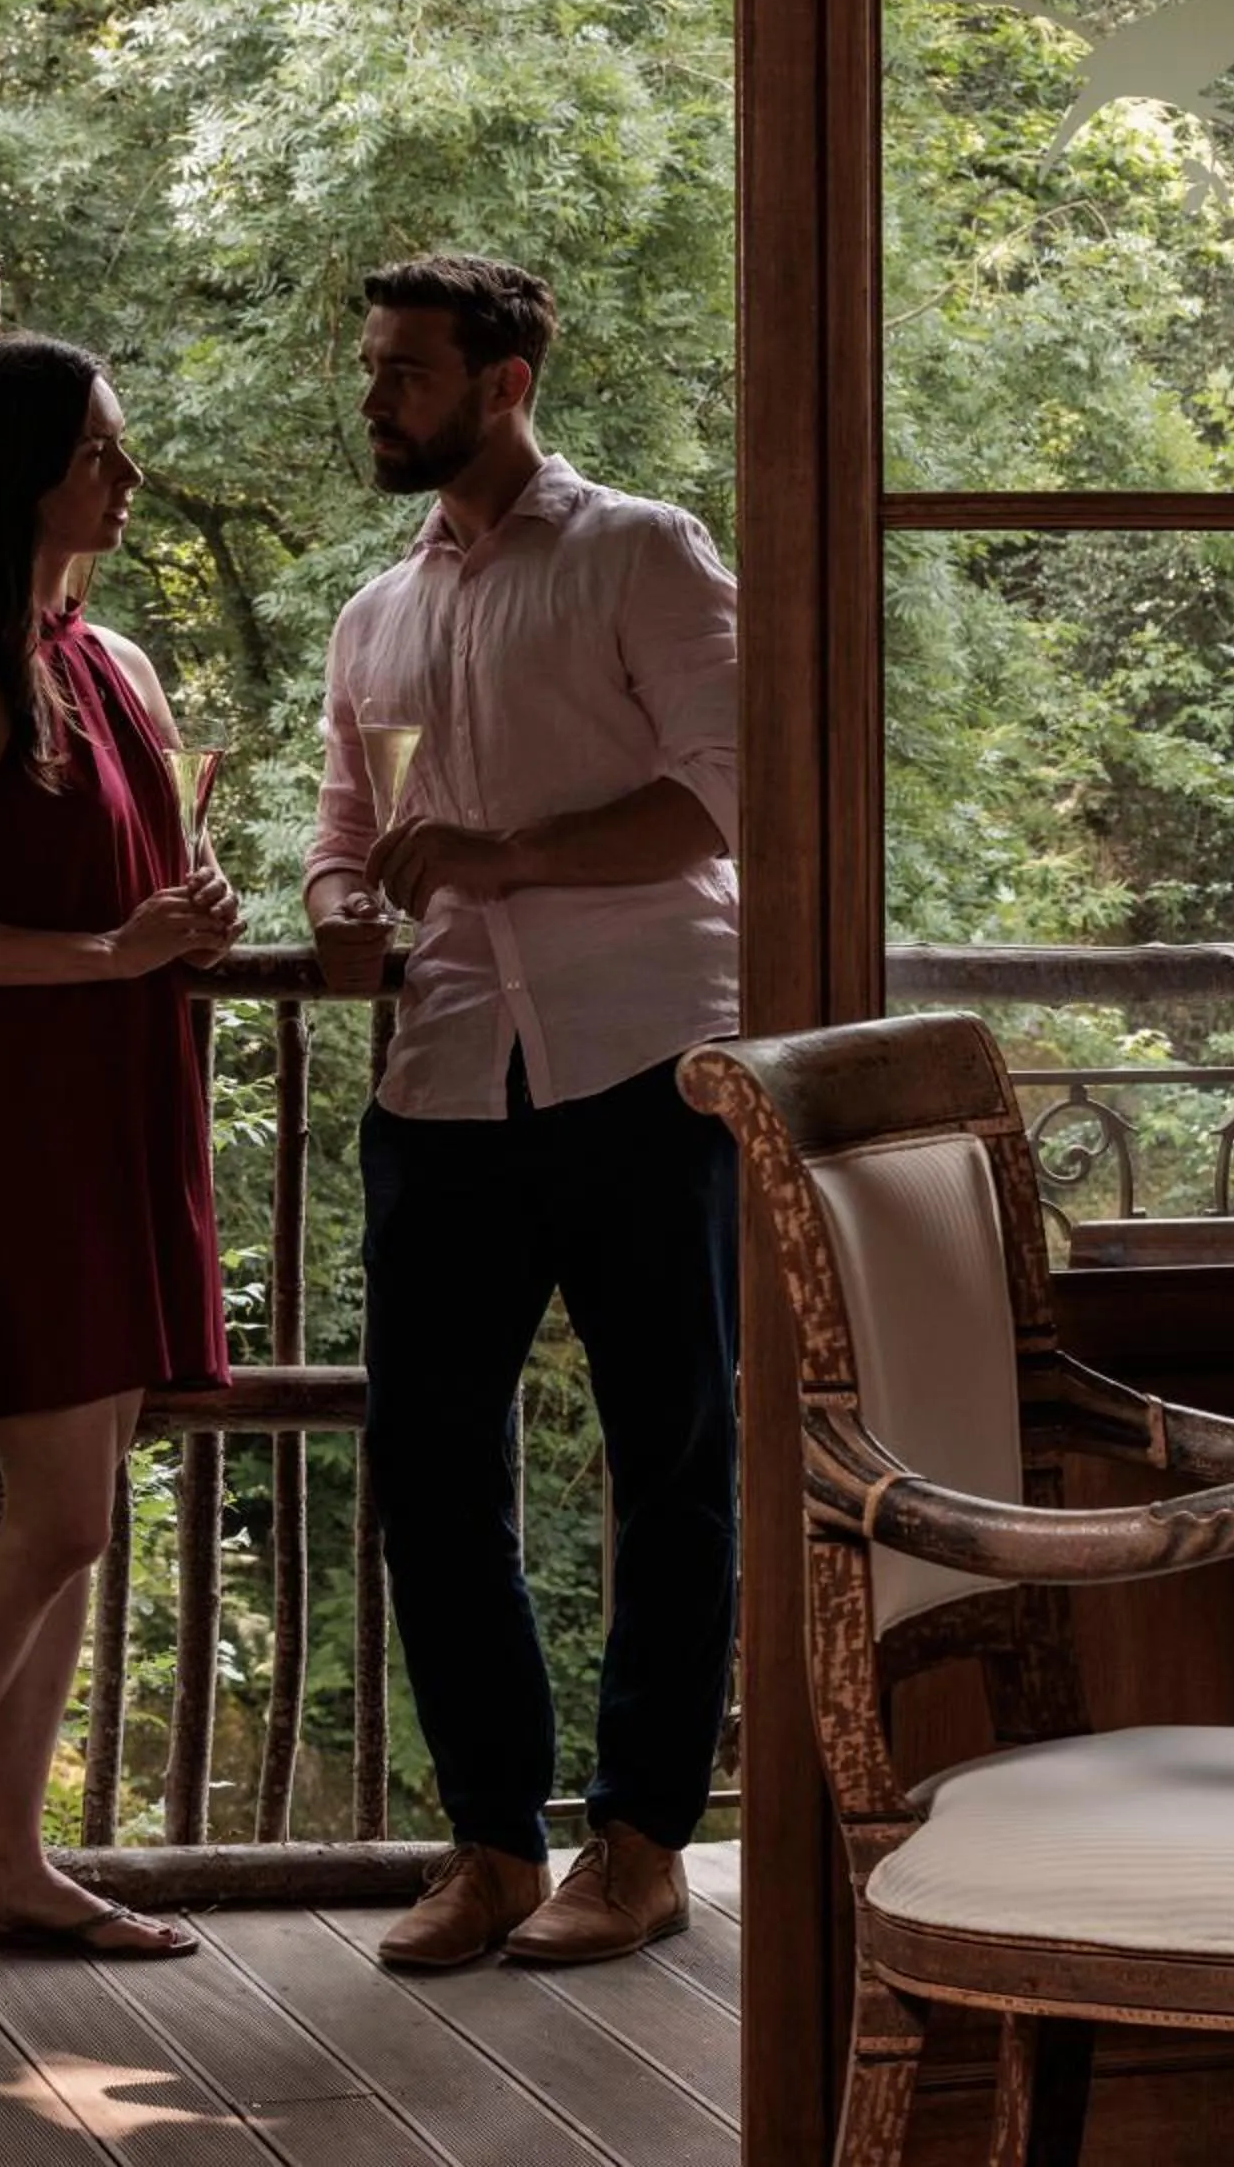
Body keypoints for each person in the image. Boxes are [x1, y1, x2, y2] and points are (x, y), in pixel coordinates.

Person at [306, 252, 738, 1971]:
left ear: (504, 381)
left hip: (643, 1059)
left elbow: (730, 793)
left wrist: (512, 858)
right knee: (426, 1465)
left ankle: (639, 1846)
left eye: (405, 370)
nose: (375, 396)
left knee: (672, 1457)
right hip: (444, 1078)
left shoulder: (641, 552)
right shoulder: (375, 614)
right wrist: (342, 910)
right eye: (372, 367)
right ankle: (492, 1842)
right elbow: (349, 829)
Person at [0, 335, 241, 1978]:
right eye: (101, 446)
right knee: (59, 1518)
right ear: (21, 465)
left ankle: (12, 1860)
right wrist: (111, 953)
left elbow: (137, 889)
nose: (128, 472)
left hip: (116, 1100)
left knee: (78, 1509)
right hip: (13, 1107)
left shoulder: (116, 665)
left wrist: (188, 926)